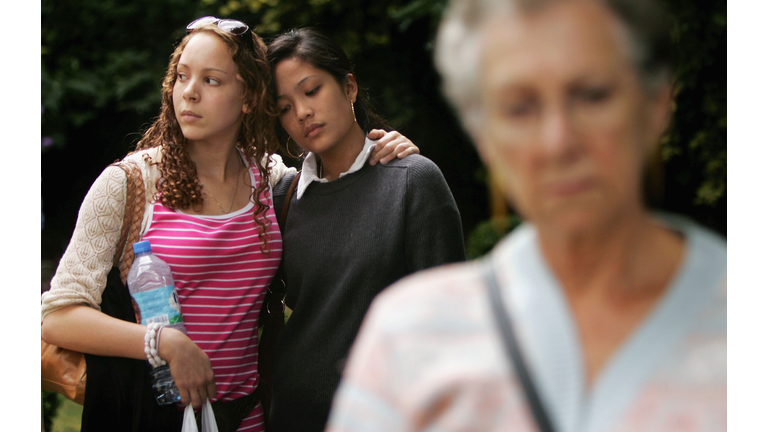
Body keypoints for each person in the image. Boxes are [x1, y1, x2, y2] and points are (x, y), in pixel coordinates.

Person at [326, 0, 727, 431]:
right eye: (519, 107)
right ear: (483, 135)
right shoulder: (408, 337)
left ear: (657, 103)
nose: (559, 141)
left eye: (592, 95)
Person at [40, 17, 418, 432]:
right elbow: (59, 316)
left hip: (248, 417)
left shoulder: (270, 181)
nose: (189, 92)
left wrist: (384, 153)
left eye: (212, 80)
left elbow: (340, 199)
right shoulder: (131, 184)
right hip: (158, 413)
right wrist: (165, 343)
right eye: (182, 76)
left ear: (249, 98)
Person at [264, 28, 467, 432]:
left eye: (312, 91)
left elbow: (449, 330)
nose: (302, 112)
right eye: (285, 107)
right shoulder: (284, 196)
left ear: (349, 87)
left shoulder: (413, 181)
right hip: (293, 415)